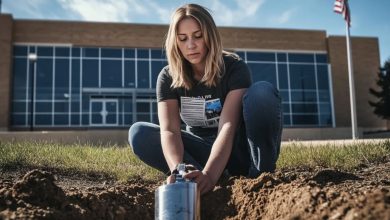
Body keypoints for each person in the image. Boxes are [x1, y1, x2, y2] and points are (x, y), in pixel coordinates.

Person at [128, 3, 282, 195]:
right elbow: (170, 131)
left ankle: (260, 176)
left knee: (262, 94)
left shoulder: (234, 67)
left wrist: (210, 174)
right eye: (183, 39)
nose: (191, 45)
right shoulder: (168, 77)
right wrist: (179, 169)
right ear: (175, 42)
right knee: (139, 133)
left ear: (210, 35)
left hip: (238, 150)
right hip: (202, 151)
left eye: (198, 36)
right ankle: (194, 178)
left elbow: (228, 126)